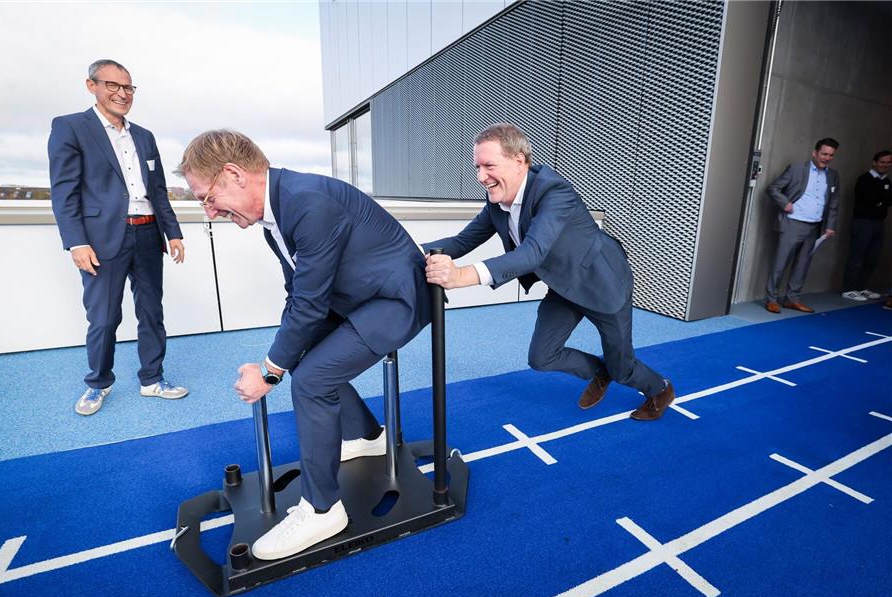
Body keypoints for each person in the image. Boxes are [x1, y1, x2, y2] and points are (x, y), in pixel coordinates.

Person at [177, 130, 431, 561]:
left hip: (395, 299)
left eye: (207, 197)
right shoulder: (275, 216)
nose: (210, 211)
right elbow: (299, 294)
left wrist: (270, 372)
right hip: (357, 295)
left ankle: (322, 510)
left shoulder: (307, 202)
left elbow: (310, 303)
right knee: (300, 355)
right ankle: (368, 436)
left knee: (310, 380)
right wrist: (278, 356)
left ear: (234, 174)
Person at [423, 123, 674, 421]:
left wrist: (461, 277)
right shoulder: (497, 201)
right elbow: (462, 241)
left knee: (624, 368)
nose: (481, 177)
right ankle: (600, 371)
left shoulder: (554, 191)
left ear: (519, 161)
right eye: (477, 167)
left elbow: (532, 253)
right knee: (542, 357)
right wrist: (408, 253)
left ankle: (660, 389)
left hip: (602, 282)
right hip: (563, 285)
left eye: (489, 165)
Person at [48, 60, 188, 416]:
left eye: (128, 88)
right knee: (105, 317)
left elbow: (158, 190)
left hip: (147, 232)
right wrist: (76, 242)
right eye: (112, 85)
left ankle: (152, 379)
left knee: (151, 312)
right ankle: (98, 383)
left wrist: (172, 232)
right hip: (101, 239)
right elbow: (64, 192)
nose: (121, 94)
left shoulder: (144, 135)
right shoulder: (70, 127)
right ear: (91, 85)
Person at [764, 137, 840, 313]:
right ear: (815, 153)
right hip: (793, 223)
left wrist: (830, 225)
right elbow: (772, 188)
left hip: (815, 226)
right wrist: (785, 203)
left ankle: (792, 299)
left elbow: (834, 201)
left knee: (803, 264)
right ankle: (771, 299)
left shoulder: (833, 175)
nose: (827, 158)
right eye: (824, 153)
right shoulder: (797, 169)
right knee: (781, 262)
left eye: (831, 155)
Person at [841, 150, 892, 302]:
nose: (885, 165)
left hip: (878, 223)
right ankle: (848, 289)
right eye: (882, 162)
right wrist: (881, 199)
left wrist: (881, 200)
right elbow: (870, 199)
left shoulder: (887, 181)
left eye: (889, 162)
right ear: (874, 162)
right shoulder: (864, 179)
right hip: (863, 222)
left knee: (872, 258)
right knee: (856, 257)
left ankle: (860, 287)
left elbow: (887, 200)